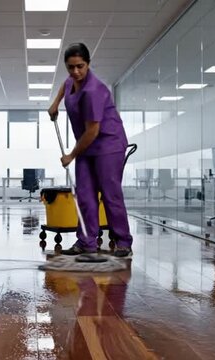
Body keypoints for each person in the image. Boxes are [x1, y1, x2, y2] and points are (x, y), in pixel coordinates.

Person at [48, 43, 133, 258]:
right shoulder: (72, 80)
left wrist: (71, 155)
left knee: (109, 193)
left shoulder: (93, 90)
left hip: (108, 144)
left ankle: (123, 242)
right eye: (70, 67)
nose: (75, 71)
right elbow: (65, 85)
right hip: (86, 145)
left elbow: (93, 131)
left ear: (88, 64)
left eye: (80, 66)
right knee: (85, 194)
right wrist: (55, 103)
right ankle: (86, 241)